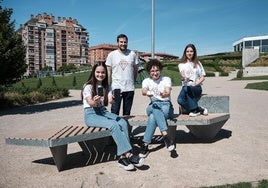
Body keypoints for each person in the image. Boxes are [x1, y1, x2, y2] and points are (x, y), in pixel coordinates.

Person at [81, 62, 144, 171]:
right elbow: (90, 102)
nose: (100, 75)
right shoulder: (88, 86)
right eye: (98, 72)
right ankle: (129, 155)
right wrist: (95, 101)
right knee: (114, 125)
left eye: (103, 72)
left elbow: (109, 100)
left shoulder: (107, 86)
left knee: (123, 122)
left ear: (106, 73)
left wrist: (113, 99)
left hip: (103, 112)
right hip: (91, 114)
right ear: (94, 72)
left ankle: (122, 157)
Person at [138, 59, 175, 158]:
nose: (155, 73)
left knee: (153, 117)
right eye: (152, 71)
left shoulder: (166, 79)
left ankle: (145, 145)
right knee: (154, 107)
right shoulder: (146, 81)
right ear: (149, 72)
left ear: (160, 70)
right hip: (153, 105)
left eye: (157, 70)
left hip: (166, 105)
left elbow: (168, 91)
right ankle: (165, 136)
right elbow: (143, 91)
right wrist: (147, 92)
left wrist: (165, 94)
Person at [105, 34, 138, 116]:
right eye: (121, 42)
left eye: (125, 42)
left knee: (127, 113)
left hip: (129, 88)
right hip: (116, 88)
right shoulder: (112, 55)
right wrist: (108, 87)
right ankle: (115, 128)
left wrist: (133, 81)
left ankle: (126, 129)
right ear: (117, 43)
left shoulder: (132, 54)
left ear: (127, 42)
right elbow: (108, 71)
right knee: (115, 111)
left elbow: (135, 69)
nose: (123, 44)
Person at [177, 44, 208, 117]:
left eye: (191, 51)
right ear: (185, 53)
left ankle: (194, 110)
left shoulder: (198, 63)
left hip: (196, 87)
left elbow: (203, 77)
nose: (189, 53)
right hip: (186, 87)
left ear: (194, 52)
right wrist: (185, 78)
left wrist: (196, 83)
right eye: (187, 51)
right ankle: (198, 109)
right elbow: (182, 73)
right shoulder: (181, 64)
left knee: (187, 88)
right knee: (180, 100)